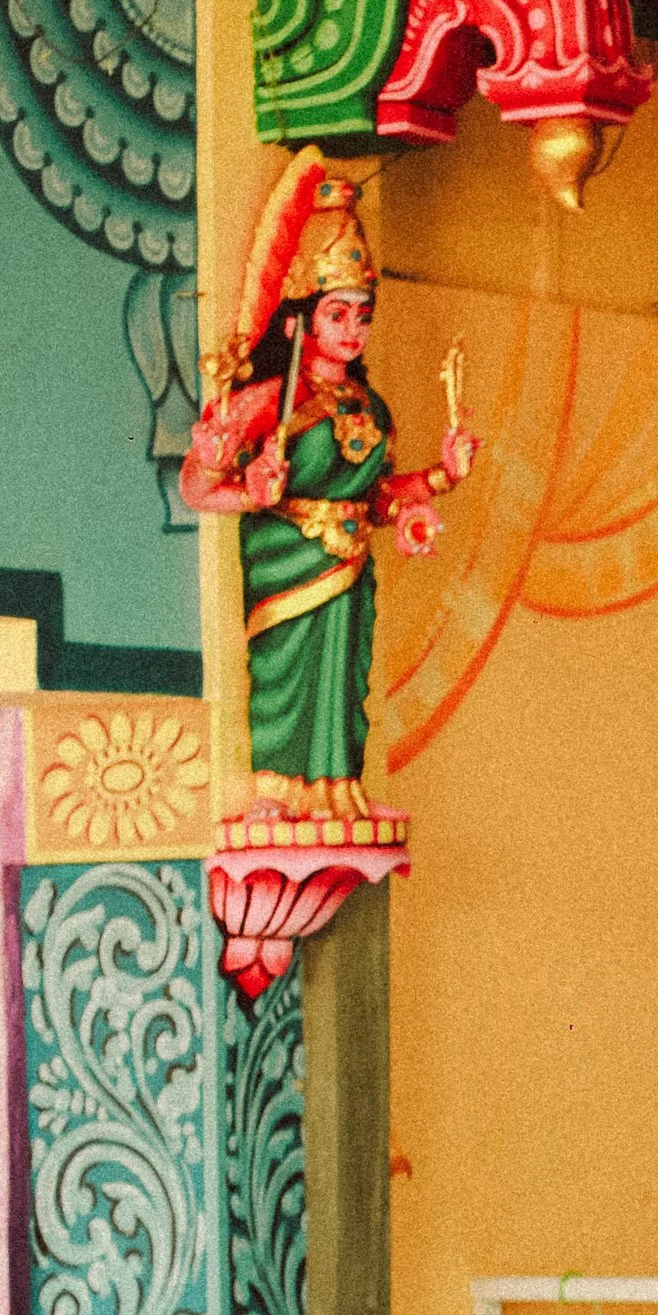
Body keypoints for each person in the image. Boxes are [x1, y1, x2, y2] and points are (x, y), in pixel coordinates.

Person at [182, 155, 476, 819]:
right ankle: (276, 792)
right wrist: (243, 483)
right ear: (303, 319)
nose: (352, 329)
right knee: (286, 677)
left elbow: (374, 500)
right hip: (286, 560)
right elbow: (200, 488)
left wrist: (443, 475)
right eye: (338, 313)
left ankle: (334, 791)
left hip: (349, 566)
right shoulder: (270, 399)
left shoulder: (370, 407)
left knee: (343, 685)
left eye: (361, 316)